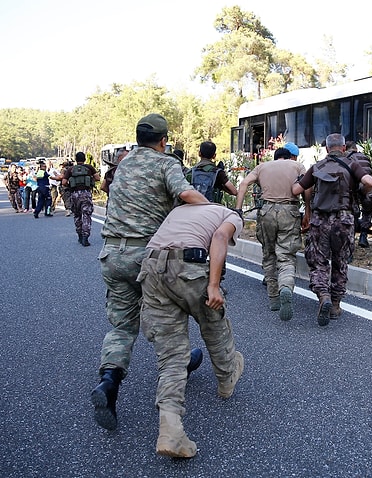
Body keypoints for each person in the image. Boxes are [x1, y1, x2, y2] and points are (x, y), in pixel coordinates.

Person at [92, 113, 209, 432]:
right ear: (163, 140)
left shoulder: (124, 163)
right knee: (171, 313)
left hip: (112, 253)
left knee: (122, 326)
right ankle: (181, 364)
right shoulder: (166, 162)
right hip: (149, 255)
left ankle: (108, 382)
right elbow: (185, 194)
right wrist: (216, 213)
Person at [138, 203, 244, 458]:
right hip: (188, 267)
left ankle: (171, 431)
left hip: (151, 269)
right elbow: (219, 237)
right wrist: (214, 285)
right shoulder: (230, 215)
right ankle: (226, 379)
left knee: (172, 356)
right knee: (213, 323)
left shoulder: (179, 210)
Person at [292, 133, 372, 326]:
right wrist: (358, 187)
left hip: (320, 220)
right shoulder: (352, 164)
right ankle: (336, 304)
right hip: (344, 220)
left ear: (327, 149)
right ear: (344, 148)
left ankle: (323, 296)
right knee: (340, 261)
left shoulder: (317, 166)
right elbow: (369, 183)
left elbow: (296, 190)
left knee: (318, 261)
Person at [236, 145, 307, 321]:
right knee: (286, 255)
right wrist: (309, 211)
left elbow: (244, 183)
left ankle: (274, 297)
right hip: (289, 211)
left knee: (268, 254)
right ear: (290, 157)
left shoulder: (262, 167)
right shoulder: (297, 166)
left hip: (266, 211)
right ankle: (286, 287)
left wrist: (238, 210)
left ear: (275, 157)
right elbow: (307, 188)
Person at [185, 141, 238, 292]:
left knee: (194, 245)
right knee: (217, 245)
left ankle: (193, 280)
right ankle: (217, 282)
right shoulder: (217, 173)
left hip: (192, 214)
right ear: (214, 155)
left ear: (199, 153)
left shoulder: (190, 172)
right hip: (213, 215)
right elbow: (234, 191)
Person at [62, 152, 100, 246]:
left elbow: (64, 182)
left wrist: (71, 184)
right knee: (86, 214)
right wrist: (90, 181)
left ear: (76, 159)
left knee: (77, 215)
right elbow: (98, 178)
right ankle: (85, 237)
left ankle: (79, 235)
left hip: (74, 194)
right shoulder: (89, 168)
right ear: (84, 159)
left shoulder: (71, 169)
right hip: (86, 193)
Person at [345, 141, 372, 249]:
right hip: (370, 188)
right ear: (356, 148)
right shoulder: (365, 157)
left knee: (353, 213)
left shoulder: (347, 157)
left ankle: (351, 242)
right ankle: (363, 236)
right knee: (367, 211)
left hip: (355, 187)